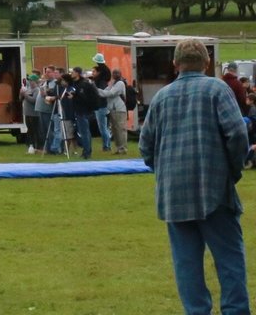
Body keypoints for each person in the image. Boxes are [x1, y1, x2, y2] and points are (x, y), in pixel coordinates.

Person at [140, 38, 250, 315]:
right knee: (229, 258)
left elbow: (146, 145)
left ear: (175, 64)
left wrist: (165, 172)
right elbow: (237, 133)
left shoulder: (162, 97)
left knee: (186, 263)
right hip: (213, 189)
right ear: (207, 62)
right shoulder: (217, 89)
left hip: (174, 194)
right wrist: (232, 170)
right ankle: (235, 311)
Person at [96, 68, 128, 156]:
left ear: (120, 74)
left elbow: (110, 93)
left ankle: (123, 148)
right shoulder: (113, 84)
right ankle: (118, 148)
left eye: (117, 73)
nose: (115, 74)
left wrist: (96, 90)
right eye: (114, 73)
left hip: (119, 109)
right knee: (115, 130)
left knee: (121, 129)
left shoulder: (120, 83)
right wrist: (97, 90)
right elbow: (105, 91)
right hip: (113, 109)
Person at [90, 54, 113, 151]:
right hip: (103, 106)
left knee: (102, 127)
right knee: (104, 127)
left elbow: (101, 94)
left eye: (94, 72)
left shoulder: (100, 83)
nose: (92, 73)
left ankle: (106, 146)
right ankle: (107, 145)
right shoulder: (104, 78)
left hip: (101, 106)